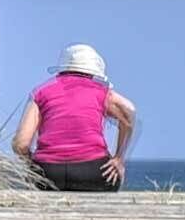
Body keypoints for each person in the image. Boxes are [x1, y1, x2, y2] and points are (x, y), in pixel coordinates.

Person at [13, 43, 136, 191]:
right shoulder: (102, 93)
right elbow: (129, 112)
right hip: (92, 171)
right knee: (113, 174)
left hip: (48, 172)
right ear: (94, 72)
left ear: (62, 69)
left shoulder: (41, 93)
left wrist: (30, 165)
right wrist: (119, 158)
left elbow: (21, 144)